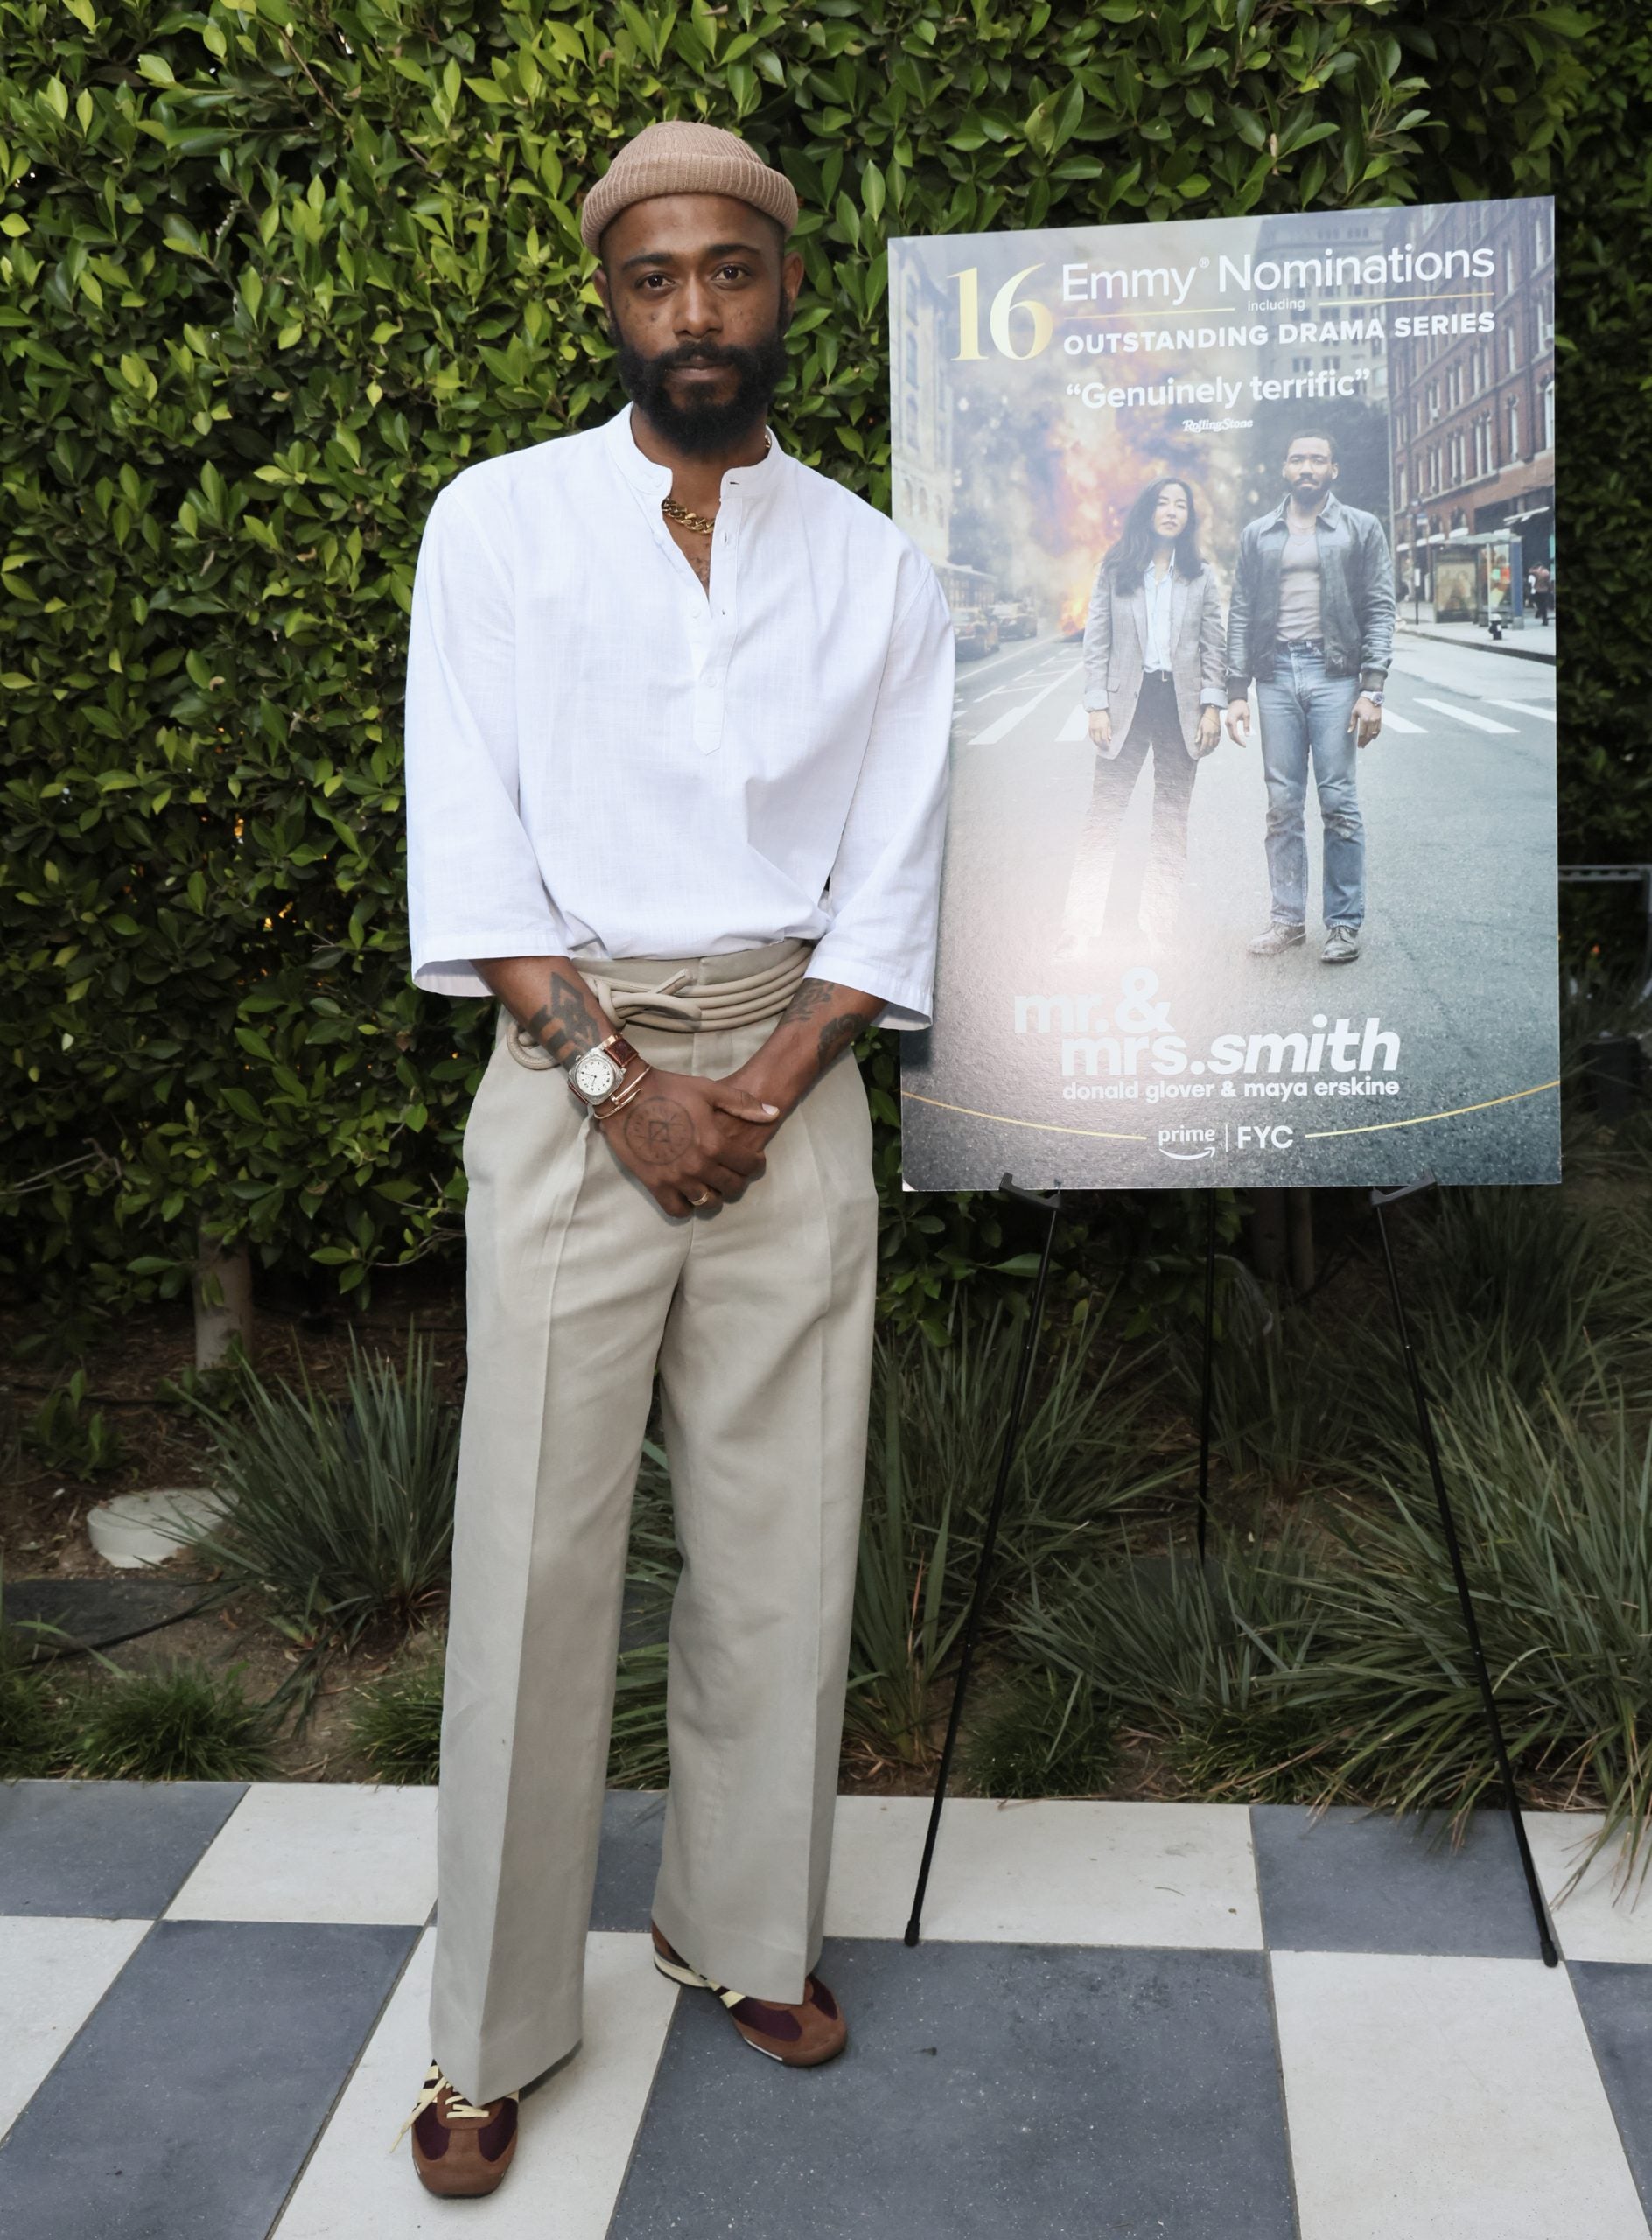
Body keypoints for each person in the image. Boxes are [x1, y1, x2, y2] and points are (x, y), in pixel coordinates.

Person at [395, 120, 953, 2199]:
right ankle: (488, 2026)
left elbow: (891, 876)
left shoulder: (875, 562)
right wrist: (615, 1071)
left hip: (788, 1075)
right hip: (569, 1068)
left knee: (781, 1532)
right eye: (654, 279)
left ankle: (744, 1927)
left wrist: (771, 1075)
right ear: (608, 299)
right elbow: (467, 831)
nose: (694, 312)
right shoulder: (499, 524)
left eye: (730, 272)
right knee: (534, 1552)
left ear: (783, 288)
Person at [1224, 430, 1395, 965]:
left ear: (1333, 470)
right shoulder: (1259, 533)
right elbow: (1241, 610)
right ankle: (1287, 921)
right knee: (1282, 805)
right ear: (1285, 468)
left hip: (1335, 674)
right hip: (1274, 674)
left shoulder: (1360, 527)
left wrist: (1373, 689)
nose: (1307, 467)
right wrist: (1235, 689)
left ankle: (1343, 924)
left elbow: (1379, 607)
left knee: (1339, 802)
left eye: (1318, 459)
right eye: (1297, 458)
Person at [1054, 477, 1224, 961]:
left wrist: (1211, 706)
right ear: (1148, 510)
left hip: (1180, 705)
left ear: (1189, 517)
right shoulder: (1117, 569)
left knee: (1171, 820)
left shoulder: (1201, 574)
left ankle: (1158, 931)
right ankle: (1079, 929)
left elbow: (1214, 643)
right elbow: (1098, 641)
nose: (1172, 511)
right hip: (1127, 701)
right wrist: (1096, 705)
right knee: (1103, 817)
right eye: (1163, 502)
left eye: (1181, 505)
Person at [1532, 561, 1553, 625]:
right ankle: (1545, 620)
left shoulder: (1536, 572)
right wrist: (1550, 589)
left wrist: (1535, 567)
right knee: (1543, 605)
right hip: (1545, 590)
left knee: (1540, 604)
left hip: (1538, 591)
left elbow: (1530, 570)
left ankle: (1540, 613)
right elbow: (1548, 582)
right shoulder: (1546, 572)